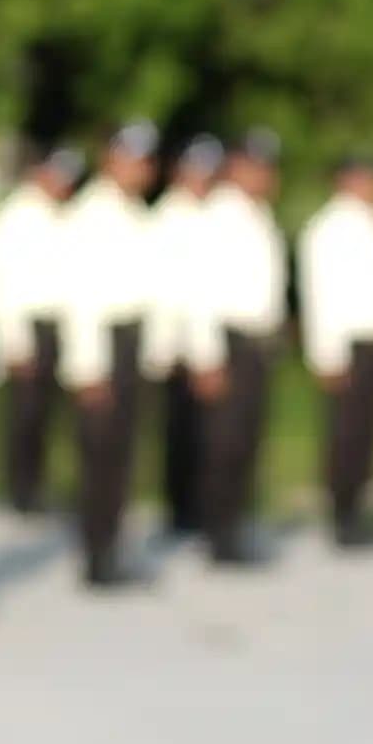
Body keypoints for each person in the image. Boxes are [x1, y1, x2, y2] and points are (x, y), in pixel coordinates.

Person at [60, 122, 170, 590]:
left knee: (122, 456)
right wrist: (88, 366)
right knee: (100, 455)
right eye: (131, 159)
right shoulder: (91, 215)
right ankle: (96, 552)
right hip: (101, 346)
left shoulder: (135, 214)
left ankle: (111, 546)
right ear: (110, 160)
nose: (140, 169)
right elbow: (79, 298)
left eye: (146, 161)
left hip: (130, 343)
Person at [301, 147, 373, 548]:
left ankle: (360, 507)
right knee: (345, 434)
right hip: (348, 346)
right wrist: (327, 355)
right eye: (367, 176)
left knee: (369, 432)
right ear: (346, 180)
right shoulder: (330, 229)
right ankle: (342, 513)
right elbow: (322, 297)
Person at [201, 129, 292, 563]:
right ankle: (220, 533)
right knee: (227, 442)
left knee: (249, 440)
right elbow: (199, 294)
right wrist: (207, 356)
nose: (265, 175)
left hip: (258, 342)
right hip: (228, 341)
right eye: (256, 166)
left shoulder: (260, 215)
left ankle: (237, 524)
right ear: (236, 167)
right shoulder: (219, 215)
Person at [0, 145, 81, 515]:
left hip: (57, 325)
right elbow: (4, 285)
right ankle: (21, 489)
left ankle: (38, 484)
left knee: (49, 414)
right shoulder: (15, 217)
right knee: (25, 415)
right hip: (27, 325)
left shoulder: (62, 217)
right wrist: (13, 341)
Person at [152, 135, 229, 547]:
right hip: (182, 346)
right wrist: (201, 355)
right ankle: (182, 511)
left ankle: (197, 509)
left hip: (204, 342)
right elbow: (183, 297)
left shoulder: (210, 216)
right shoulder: (171, 218)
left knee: (204, 435)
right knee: (183, 434)